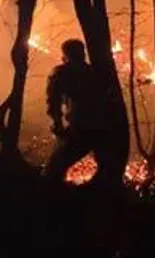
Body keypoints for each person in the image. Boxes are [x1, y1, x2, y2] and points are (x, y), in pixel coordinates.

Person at [44, 38, 115, 185]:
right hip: (102, 127)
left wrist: (57, 124)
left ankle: (52, 199)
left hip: (80, 127)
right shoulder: (95, 72)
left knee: (53, 168)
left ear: (65, 55)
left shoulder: (62, 73)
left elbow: (53, 103)